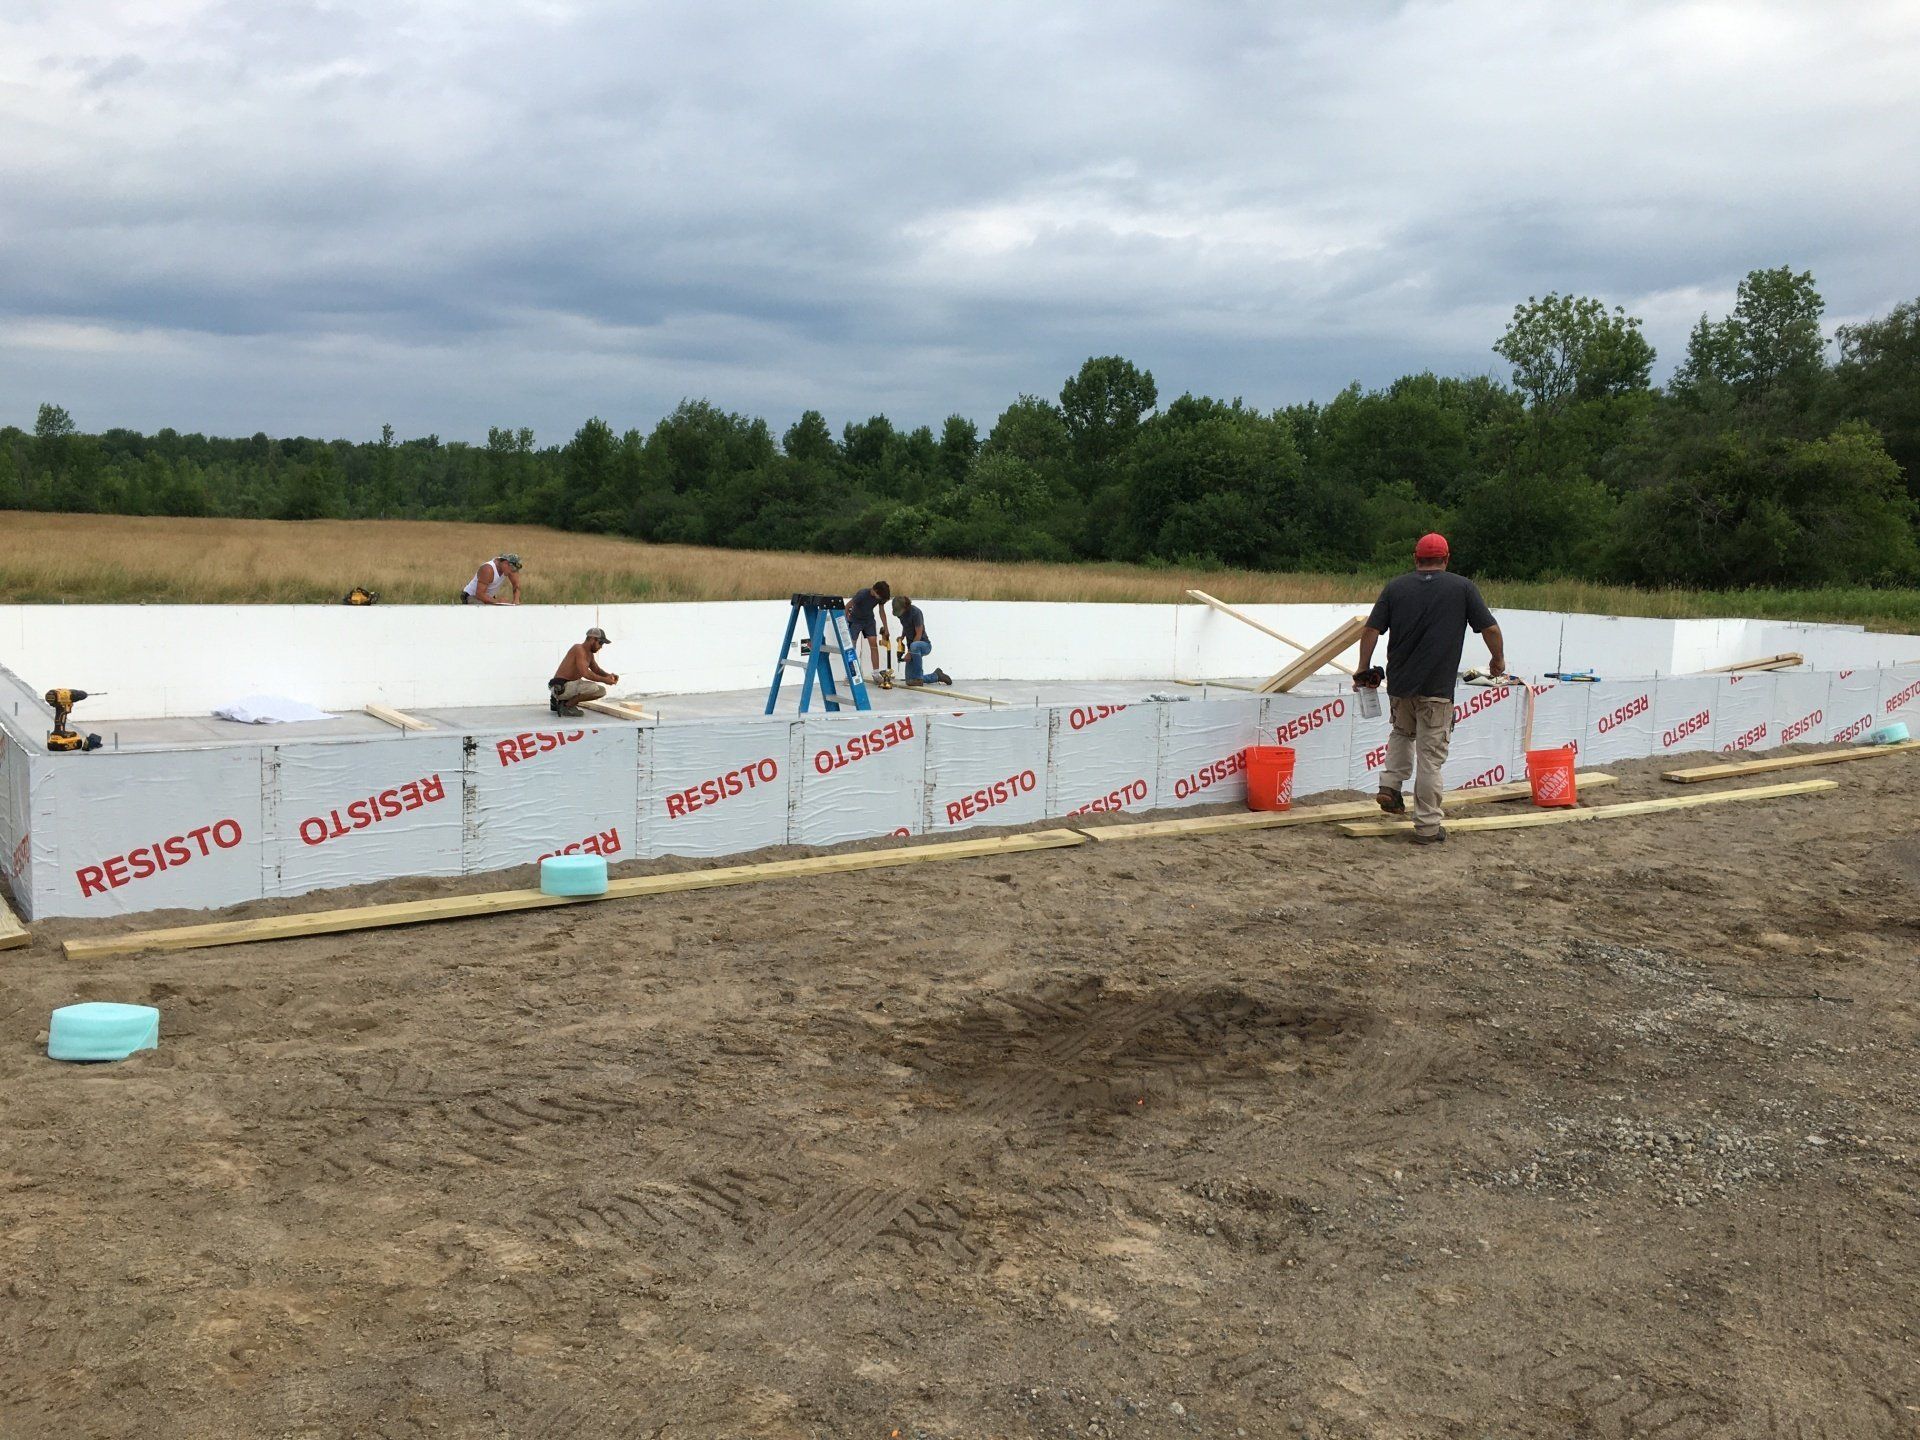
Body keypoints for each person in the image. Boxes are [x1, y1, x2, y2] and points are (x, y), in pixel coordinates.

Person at [1355, 533, 1504, 845]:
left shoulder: (1396, 587)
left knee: (1401, 733)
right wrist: (1497, 660)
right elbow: (1489, 628)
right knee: (1430, 758)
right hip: (1436, 689)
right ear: (1446, 559)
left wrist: (1362, 667)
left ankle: (1391, 784)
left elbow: (1371, 629)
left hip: (1400, 685)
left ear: (1415, 558)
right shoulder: (1462, 587)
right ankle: (1426, 827)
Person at [549, 627, 619, 716]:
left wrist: (609, 676)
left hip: (570, 686)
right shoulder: (578, 649)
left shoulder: (589, 654)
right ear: (592, 639)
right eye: (600, 643)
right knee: (593, 687)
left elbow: (596, 670)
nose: (601, 647)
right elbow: (585, 673)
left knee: (601, 691)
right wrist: (605, 680)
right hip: (561, 687)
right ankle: (566, 706)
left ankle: (561, 702)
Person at [891, 593, 951, 687]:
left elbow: (918, 634)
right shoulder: (901, 614)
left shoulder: (916, 612)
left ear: (905, 607)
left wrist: (909, 653)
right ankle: (937, 676)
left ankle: (919, 679)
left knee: (914, 646)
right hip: (913, 648)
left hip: (923, 645)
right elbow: (906, 626)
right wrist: (902, 636)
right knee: (910, 681)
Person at [845, 580, 892, 678]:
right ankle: (850, 675)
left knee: (874, 645)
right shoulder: (862, 594)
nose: (880, 599)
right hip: (855, 621)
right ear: (875, 590)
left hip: (869, 621)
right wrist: (846, 621)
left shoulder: (880, 597)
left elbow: (881, 611)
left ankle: (876, 673)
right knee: (852, 647)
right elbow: (847, 606)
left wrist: (886, 628)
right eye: (880, 596)